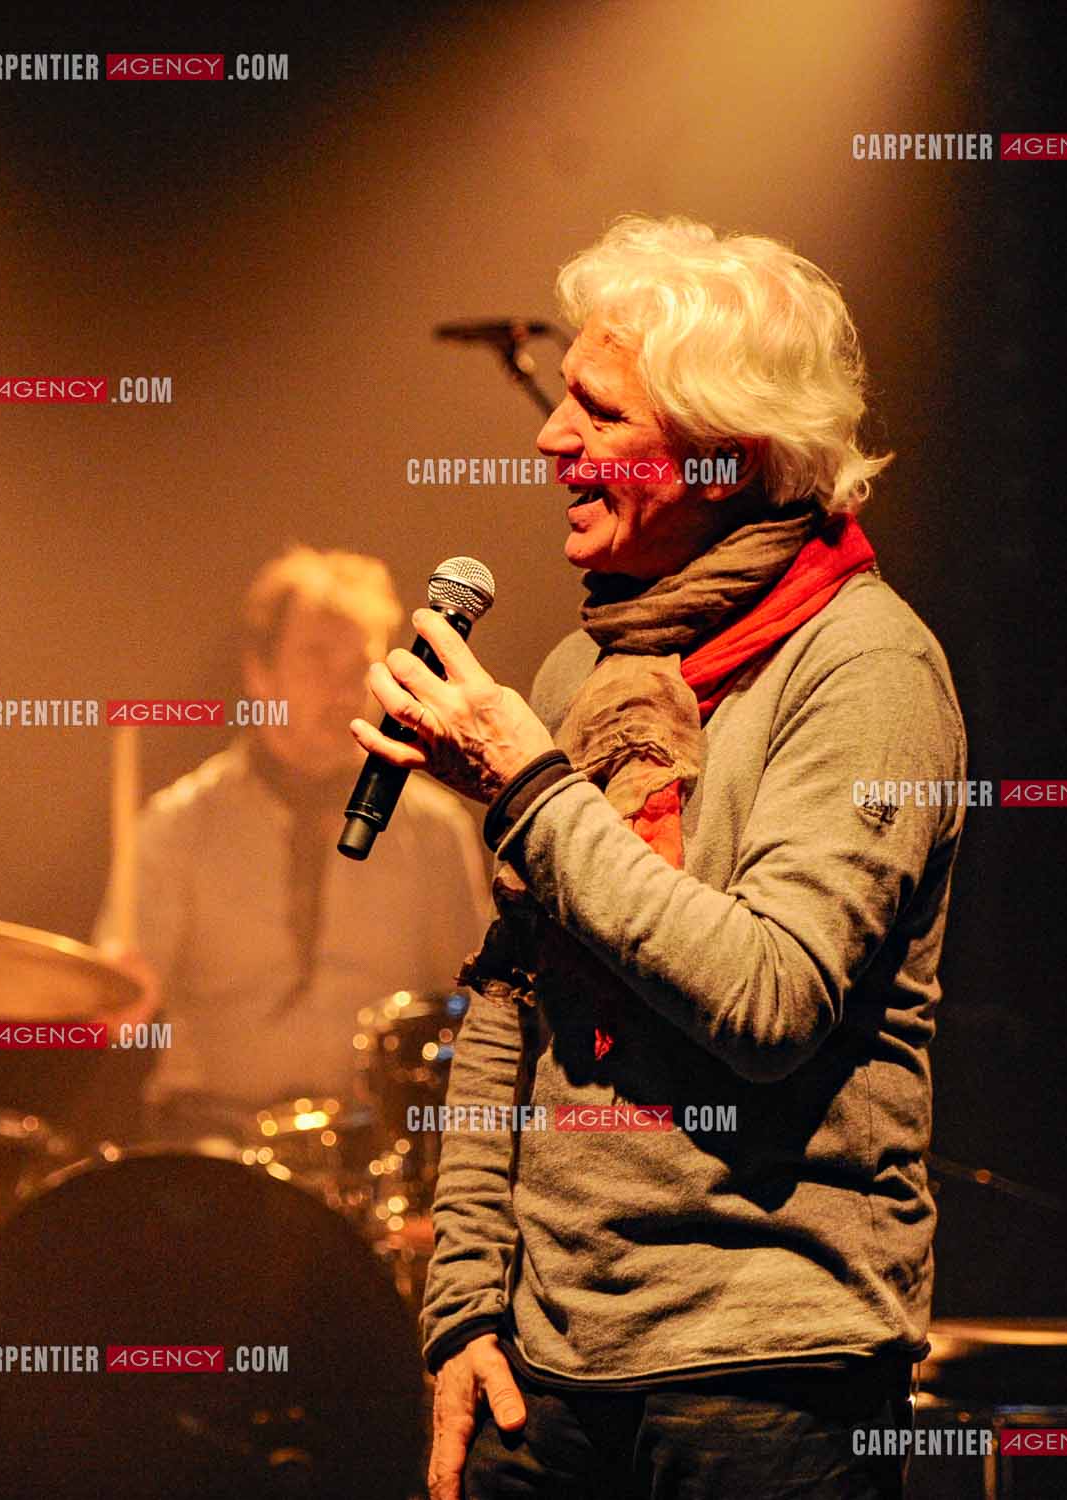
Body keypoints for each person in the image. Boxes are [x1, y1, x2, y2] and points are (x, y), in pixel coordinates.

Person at [357, 216, 966, 1500]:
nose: (549, 437)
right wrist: (461, 1306)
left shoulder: (866, 669)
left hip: (766, 1373)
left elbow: (770, 1001)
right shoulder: (583, 669)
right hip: (539, 1370)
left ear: (724, 452)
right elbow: (506, 1006)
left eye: (599, 411)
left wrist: (527, 787)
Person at [94, 546, 492, 1131]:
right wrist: (115, 994)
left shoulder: (434, 833)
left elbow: (478, 1015)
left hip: (373, 1145)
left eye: (360, 665)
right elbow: (113, 1004)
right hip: (211, 1138)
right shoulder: (177, 825)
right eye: (316, 659)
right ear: (259, 672)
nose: (342, 687)